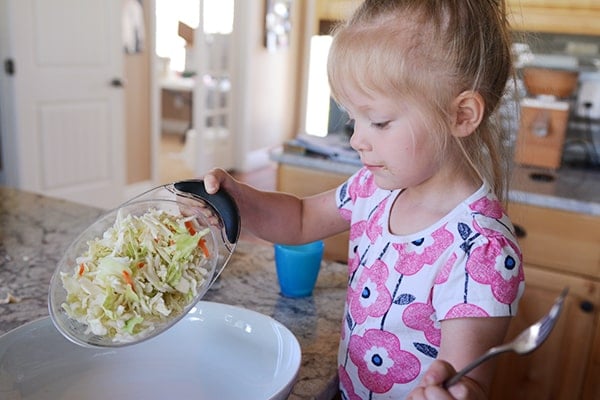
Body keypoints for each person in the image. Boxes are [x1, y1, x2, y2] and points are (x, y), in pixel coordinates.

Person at [204, 0, 525, 398]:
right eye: (353, 119)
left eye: (379, 121)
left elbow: (466, 379)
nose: (357, 139)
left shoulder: (481, 250)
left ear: (461, 115)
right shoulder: (373, 189)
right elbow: (302, 218)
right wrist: (238, 199)